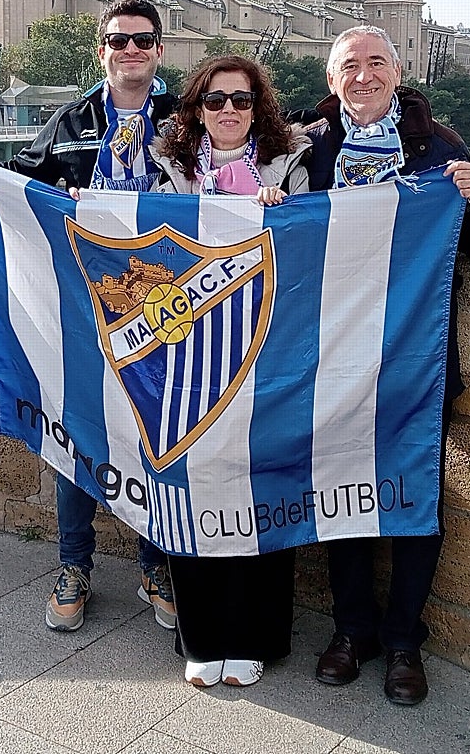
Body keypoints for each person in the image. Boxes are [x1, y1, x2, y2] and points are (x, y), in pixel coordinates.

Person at [0, 0, 178, 634]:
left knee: (160, 437)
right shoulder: (71, 121)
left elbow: (232, 166)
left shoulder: (183, 121)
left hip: (168, 302)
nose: (131, 51)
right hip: (82, 306)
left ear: (159, 49)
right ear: (102, 50)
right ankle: (74, 564)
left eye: (142, 41)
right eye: (119, 41)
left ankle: (157, 564)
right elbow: (14, 189)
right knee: (81, 434)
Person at [290, 25, 470, 705]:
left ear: (398, 71)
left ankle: (405, 640)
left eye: (375, 63)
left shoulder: (437, 147)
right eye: (349, 65)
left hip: (417, 357)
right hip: (330, 356)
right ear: (332, 81)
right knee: (342, 494)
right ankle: (352, 631)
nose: (363, 75)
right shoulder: (305, 149)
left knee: (414, 496)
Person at [150, 55, 312, 688]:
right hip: (190, 357)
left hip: (267, 352)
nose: (227, 112)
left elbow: (314, 249)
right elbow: (142, 239)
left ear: (258, 109)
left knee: (263, 488)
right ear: (196, 110)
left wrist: (286, 211)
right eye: (214, 101)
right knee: (193, 491)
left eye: (240, 101)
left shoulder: (287, 168)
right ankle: (204, 638)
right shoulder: (170, 171)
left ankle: (258, 635)